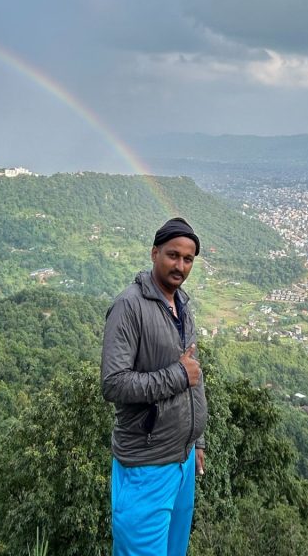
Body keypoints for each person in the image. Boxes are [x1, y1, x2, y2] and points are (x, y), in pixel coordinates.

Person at [101, 217, 208, 556]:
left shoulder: (183, 306)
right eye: (172, 255)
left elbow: (194, 377)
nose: (180, 265)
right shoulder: (129, 307)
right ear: (154, 253)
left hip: (183, 461)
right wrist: (177, 375)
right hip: (146, 465)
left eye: (188, 259)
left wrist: (197, 440)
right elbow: (113, 383)